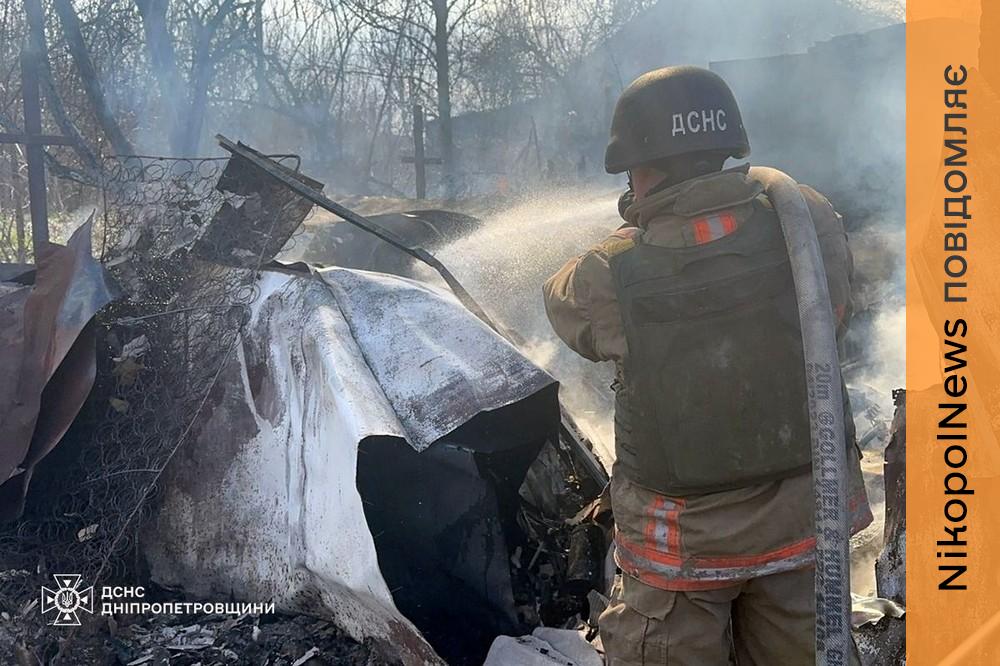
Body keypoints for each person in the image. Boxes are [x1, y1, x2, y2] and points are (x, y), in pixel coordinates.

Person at [542, 65, 872, 665]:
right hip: (801, 528)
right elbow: (838, 312)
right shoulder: (808, 221)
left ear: (643, 168)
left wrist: (631, 232)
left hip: (682, 552)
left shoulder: (606, 272)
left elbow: (565, 308)